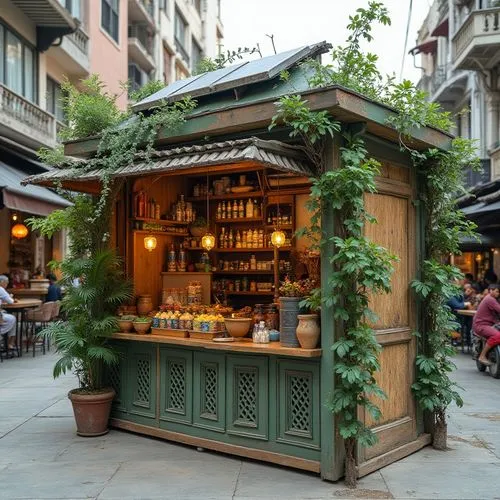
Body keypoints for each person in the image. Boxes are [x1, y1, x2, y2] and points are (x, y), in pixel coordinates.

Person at [472, 283, 500, 365]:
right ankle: (482, 356)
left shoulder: (491, 299)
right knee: (498, 336)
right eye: (496, 291)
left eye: (498, 292)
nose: (498, 293)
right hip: (481, 325)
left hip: (487, 324)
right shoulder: (490, 299)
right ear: (490, 290)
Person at [0, 275, 17, 352]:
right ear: (2, 282)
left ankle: (9, 343)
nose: (7, 285)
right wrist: (11, 298)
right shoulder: (1, 289)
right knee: (12, 318)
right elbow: (10, 301)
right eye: (6, 283)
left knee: (10, 318)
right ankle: (9, 342)